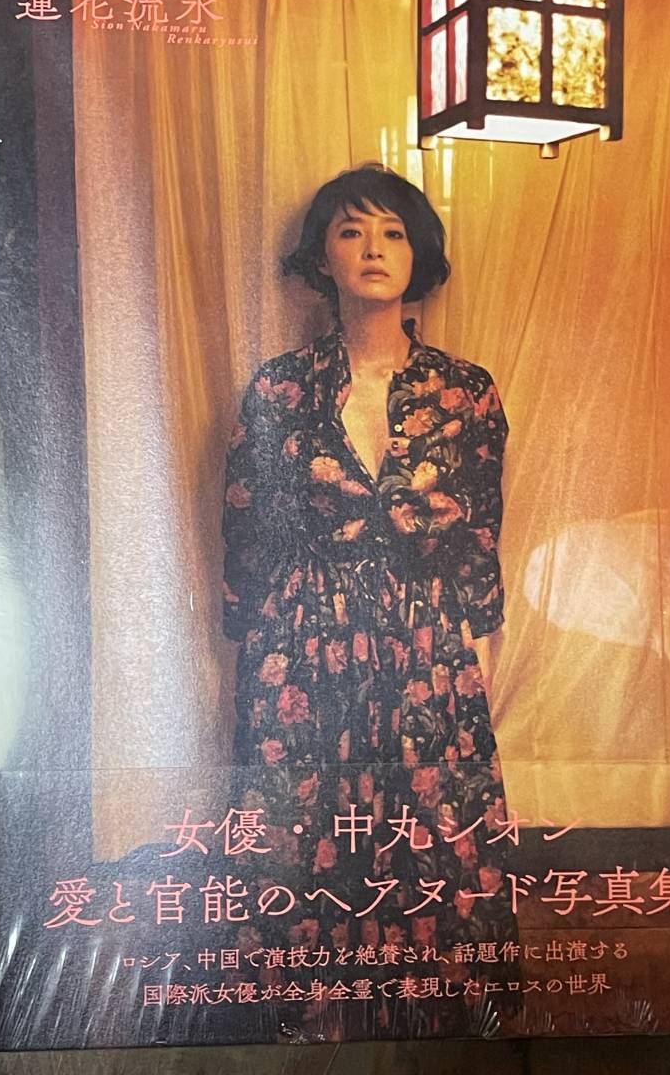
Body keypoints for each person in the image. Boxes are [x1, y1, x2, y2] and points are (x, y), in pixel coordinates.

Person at [220, 163, 519, 1039]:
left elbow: (480, 529)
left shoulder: (465, 391)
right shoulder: (279, 389)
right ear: (322, 257)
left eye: (392, 231)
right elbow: (247, 522)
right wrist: (249, 645)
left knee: (434, 828)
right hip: (305, 642)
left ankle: (438, 1023)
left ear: (418, 253)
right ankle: (306, 1022)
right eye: (351, 231)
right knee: (300, 827)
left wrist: (477, 645)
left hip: (425, 646)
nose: (373, 248)